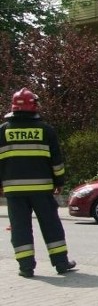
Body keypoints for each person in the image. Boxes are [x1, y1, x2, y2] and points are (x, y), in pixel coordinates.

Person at [0, 88, 77, 277]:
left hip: (14, 190)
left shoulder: (2, 131)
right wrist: (59, 181)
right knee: (51, 225)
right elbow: (56, 162)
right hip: (42, 189)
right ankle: (60, 263)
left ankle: (26, 267)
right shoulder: (45, 130)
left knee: (19, 227)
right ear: (34, 106)